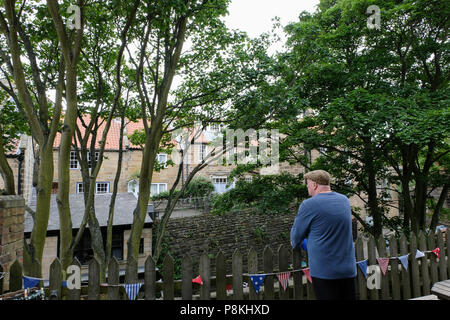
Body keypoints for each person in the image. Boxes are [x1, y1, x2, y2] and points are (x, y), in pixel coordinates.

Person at [290, 170, 357, 300]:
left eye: (308, 184)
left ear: (314, 185)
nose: (307, 187)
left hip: (324, 272)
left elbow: (296, 237)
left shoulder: (309, 204)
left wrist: (300, 243)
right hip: (348, 269)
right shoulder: (344, 200)